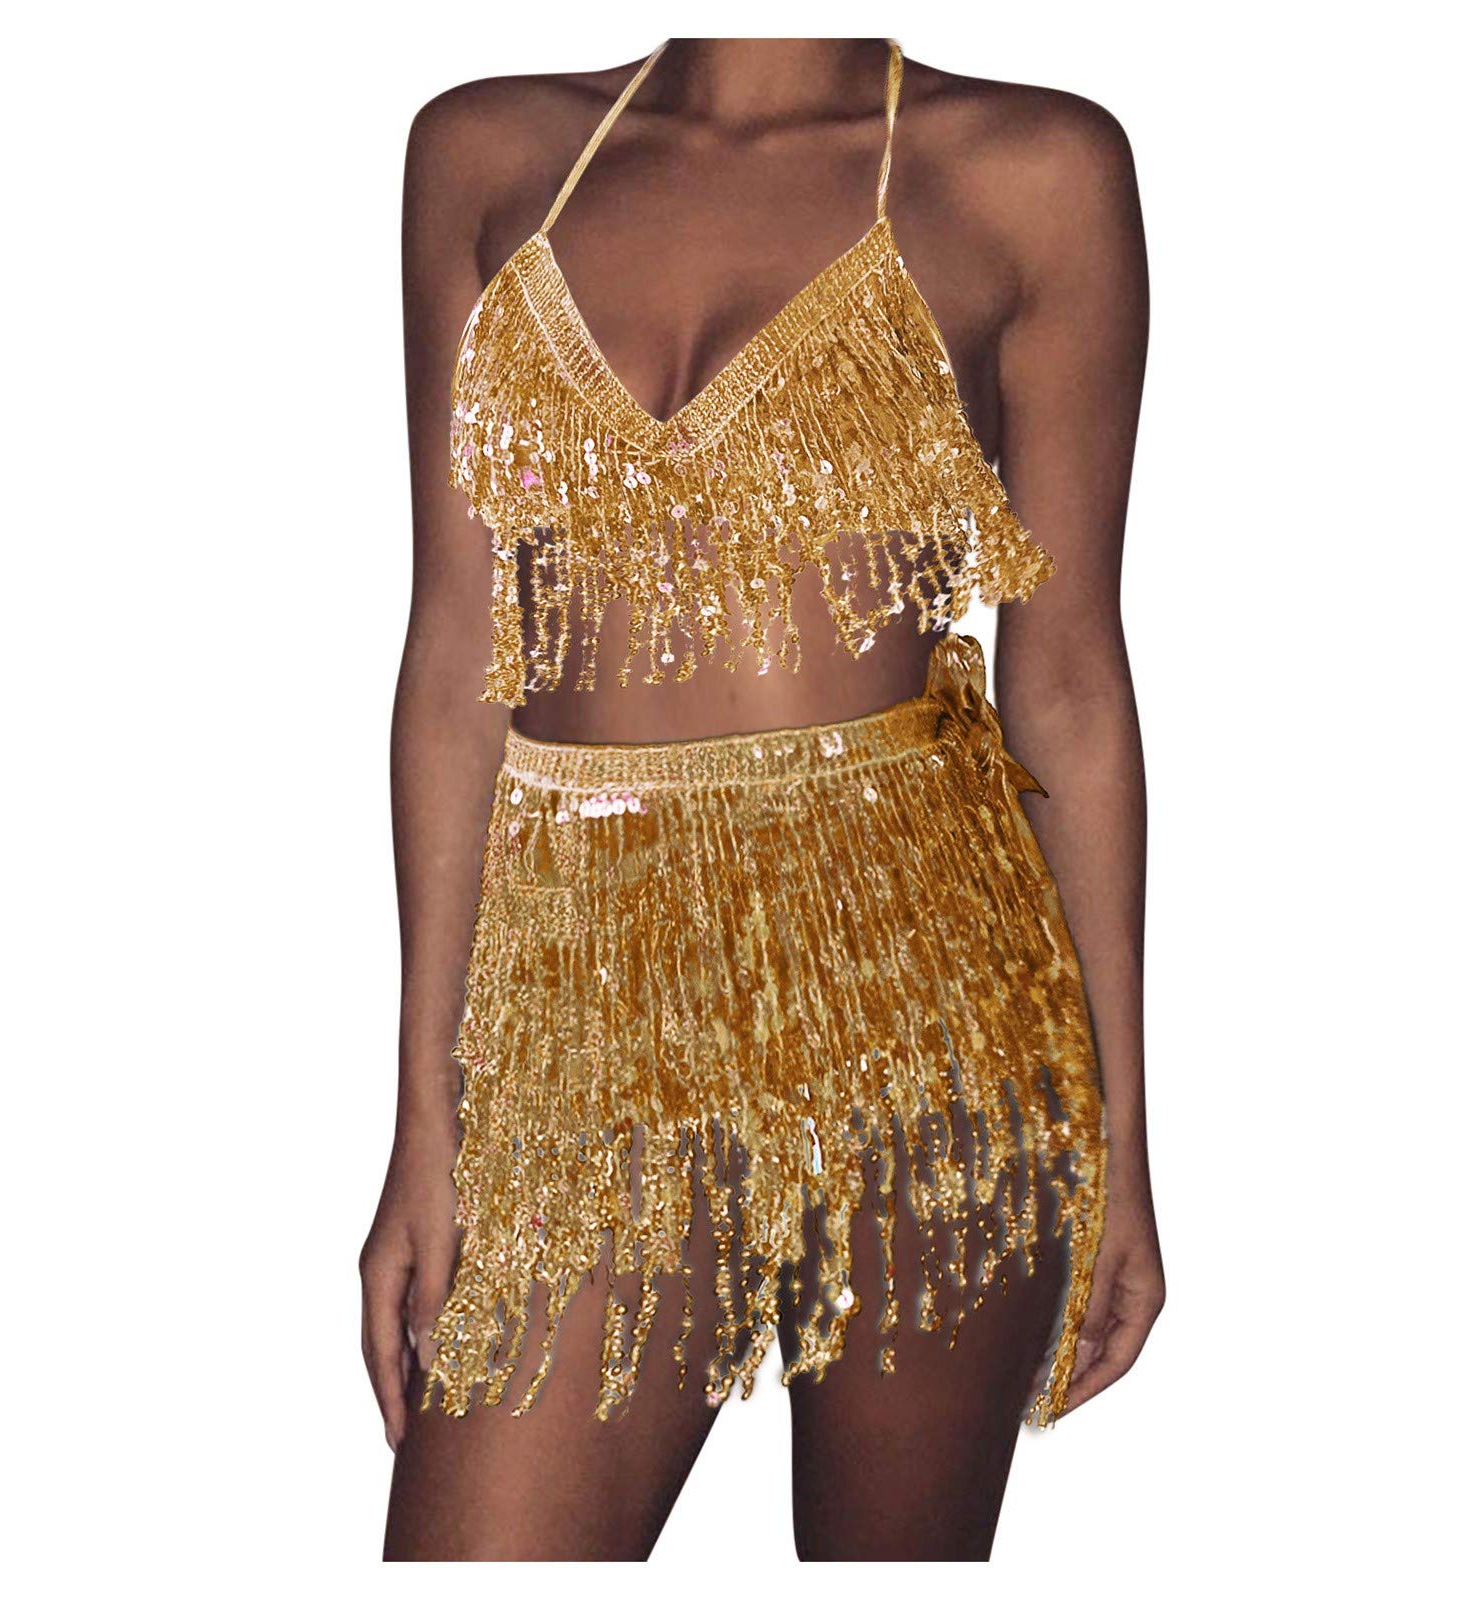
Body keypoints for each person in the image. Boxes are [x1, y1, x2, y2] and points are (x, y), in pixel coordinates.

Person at [363, 36, 1162, 1561]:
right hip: (586, 1006)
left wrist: (1120, 1139)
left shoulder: (1036, 172)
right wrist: (425, 1118)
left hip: (928, 993)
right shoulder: (483, 153)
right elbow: (457, 652)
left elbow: (1066, 678)